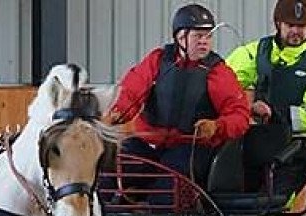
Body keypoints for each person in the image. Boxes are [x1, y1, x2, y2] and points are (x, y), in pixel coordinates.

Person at [102, 3, 250, 198]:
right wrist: (116, 112)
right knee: (112, 164)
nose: (204, 42)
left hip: (190, 148)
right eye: (198, 36)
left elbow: (239, 114)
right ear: (181, 37)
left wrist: (217, 126)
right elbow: (131, 91)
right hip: (151, 144)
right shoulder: (157, 60)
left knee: (168, 185)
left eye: (208, 36)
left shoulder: (218, 72)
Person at [226, 0, 306, 199]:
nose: (296, 31)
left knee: (270, 202)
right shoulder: (257, 52)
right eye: (290, 25)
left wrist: (274, 113)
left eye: (302, 26)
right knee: (230, 192)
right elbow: (225, 79)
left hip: (297, 147)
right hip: (259, 141)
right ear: (278, 23)